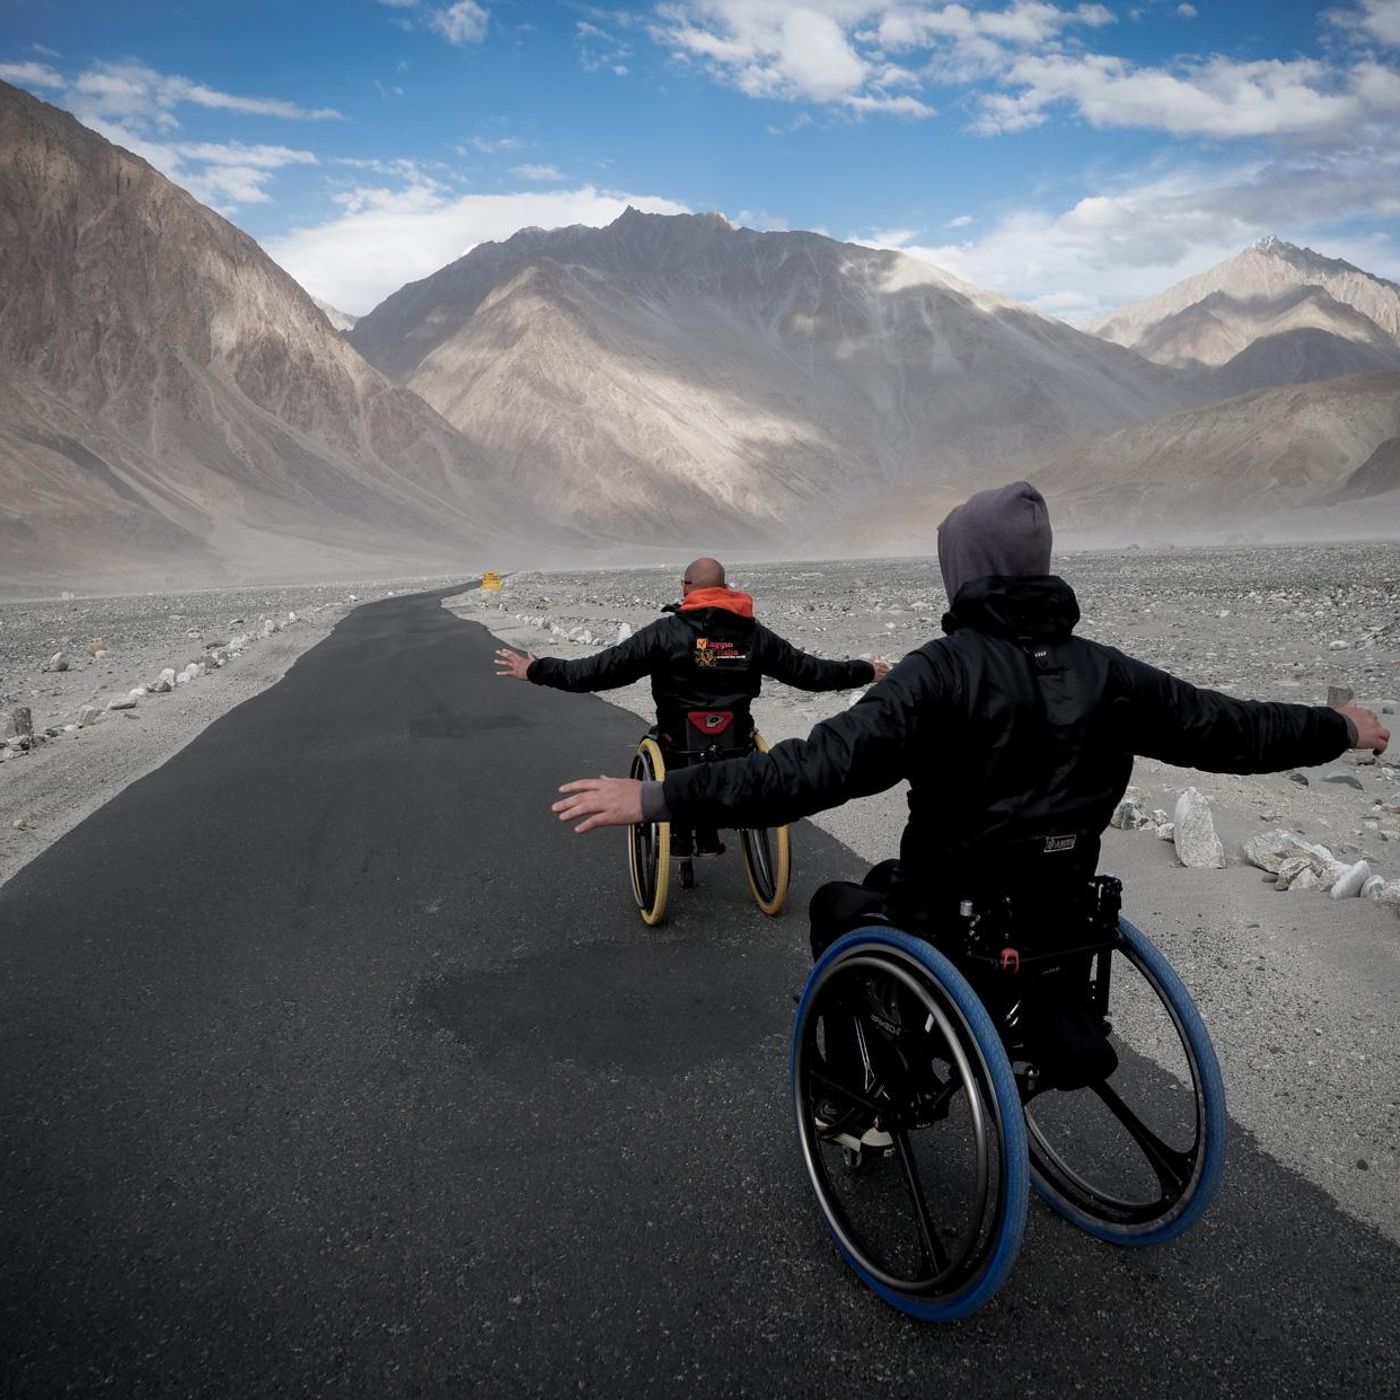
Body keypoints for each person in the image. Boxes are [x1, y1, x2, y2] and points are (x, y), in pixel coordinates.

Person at [551, 484, 1389, 951]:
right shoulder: (1109, 673)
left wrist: (660, 798)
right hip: (1062, 912)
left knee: (839, 908)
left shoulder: (939, 674)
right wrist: (1341, 727)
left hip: (950, 914)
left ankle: (861, 1112)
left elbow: (814, 772)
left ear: (965, 571)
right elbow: (1232, 731)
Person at [496, 554, 888, 775]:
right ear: (727, 589)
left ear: (686, 588)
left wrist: (537, 670)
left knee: (661, 749)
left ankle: (679, 835)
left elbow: (598, 671)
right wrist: (865, 670)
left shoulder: (663, 634)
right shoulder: (754, 636)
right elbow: (811, 673)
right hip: (737, 746)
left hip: (677, 747)